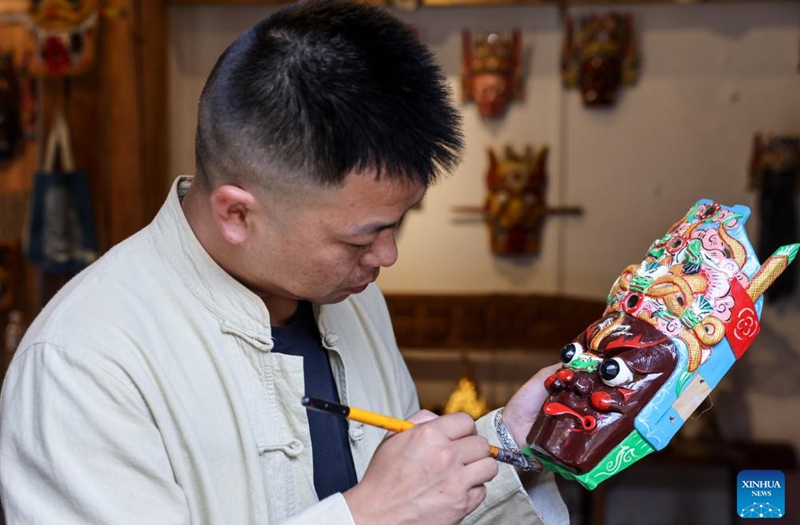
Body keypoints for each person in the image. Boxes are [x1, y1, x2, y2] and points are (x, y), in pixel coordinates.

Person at [0, 1, 568, 524]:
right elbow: (389, 509)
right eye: (360, 238)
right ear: (237, 215)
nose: (387, 256)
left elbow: (417, 508)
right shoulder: (83, 362)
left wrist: (513, 445)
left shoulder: (353, 297)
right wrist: (365, 514)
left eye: (398, 223)